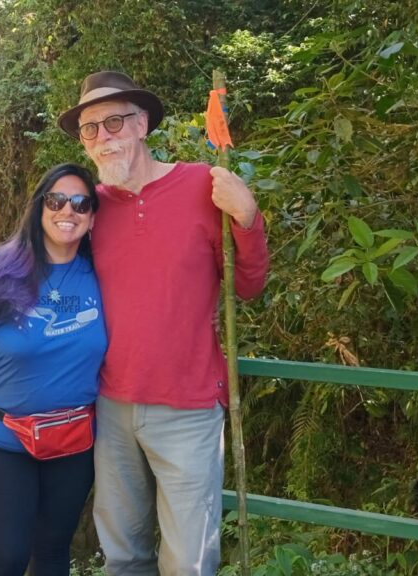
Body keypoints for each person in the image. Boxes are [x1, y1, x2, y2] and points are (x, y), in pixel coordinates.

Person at [57, 71, 270, 575]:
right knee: (123, 556)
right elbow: (42, 266)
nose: (103, 137)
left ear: (142, 124)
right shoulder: (89, 207)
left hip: (189, 406)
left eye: (114, 122)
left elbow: (247, 287)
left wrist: (247, 217)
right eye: (90, 129)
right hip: (110, 405)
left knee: (188, 561)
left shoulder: (201, 185)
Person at [0, 163, 107, 576]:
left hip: (72, 441)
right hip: (0, 438)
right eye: (56, 200)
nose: (68, 210)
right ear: (39, 207)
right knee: (4, 559)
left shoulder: (103, 274)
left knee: (52, 555)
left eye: (80, 204)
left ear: (92, 216)